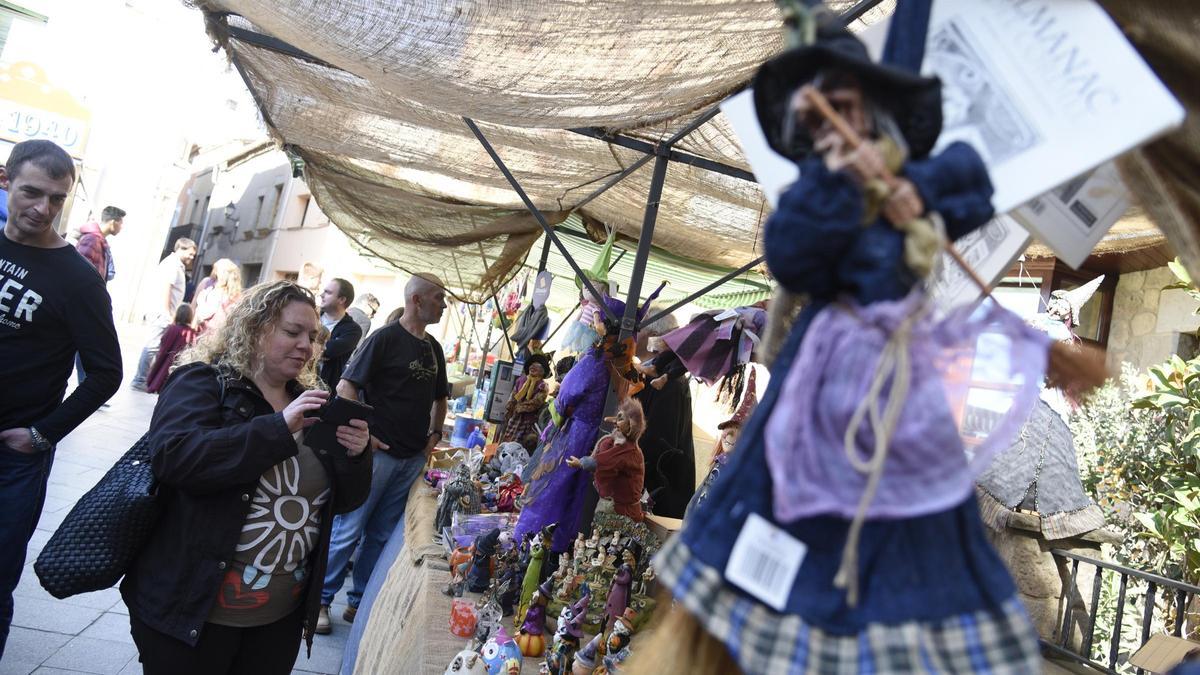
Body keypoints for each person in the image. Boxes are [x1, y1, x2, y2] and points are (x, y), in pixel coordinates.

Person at [120, 281, 372, 674]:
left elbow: (341, 503)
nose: (306, 346)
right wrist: (278, 427)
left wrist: (356, 457)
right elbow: (175, 458)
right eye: (292, 332)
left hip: (278, 620)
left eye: (311, 337)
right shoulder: (203, 382)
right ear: (254, 329)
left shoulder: (313, 404)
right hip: (193, 613)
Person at [0, 140, 122, 658]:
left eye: (56, 198)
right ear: (5, 181)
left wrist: (42, 434)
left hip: (11, 459)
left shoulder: (78, 280)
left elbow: (106, 374)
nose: (42, 208)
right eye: (32, 192)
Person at [316, 273, 449, 633]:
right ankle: (321, 601)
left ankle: (358, 603)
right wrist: (367, 434)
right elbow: (346, 387)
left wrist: (434, 436)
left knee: (380, 534)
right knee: (350, 528)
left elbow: (441, 398)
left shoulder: (434, 348)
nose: (443, 304)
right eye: (438, 297)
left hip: (411, 458)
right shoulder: (385, 338)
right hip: (377, 456)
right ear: (417, 300)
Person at [131, 237, 197, 391]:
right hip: (162, 313)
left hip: (164, 312)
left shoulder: (176, 265)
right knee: (152, 346)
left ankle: (147, 379)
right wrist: (168, 313)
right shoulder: (172, 265)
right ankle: (139, 380)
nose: (192, 257)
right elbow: (166, 288)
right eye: (190, 254)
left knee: (156, 347)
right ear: (180, 249)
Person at [72, 205, 124, 384]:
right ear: (113, 222)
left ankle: (86, 384)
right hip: (82, 307)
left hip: (86, 306)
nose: (121, 227)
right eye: (121, 223)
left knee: (83, 352)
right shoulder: (92, 240)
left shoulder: (99, 241)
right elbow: (78, 272)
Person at [317, 277, 363, 391]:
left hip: (322, 389)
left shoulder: (353, 330)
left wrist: (312, 342)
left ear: (341, 299)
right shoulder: (310, 317)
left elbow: (329, 351)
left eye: (328, 292)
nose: (321, 295)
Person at [145, 304, 197, 394]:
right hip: (179, 363)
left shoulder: (172, 329)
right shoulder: (191, 332)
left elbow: (163, 343)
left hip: (166, 360)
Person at [499, 353, 550, 444]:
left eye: (536, 365)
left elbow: (535, 403)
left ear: (543, 371)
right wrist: (510, 407)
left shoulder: (542, 386)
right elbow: (513, 396)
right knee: (506, 443)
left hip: (527, 423)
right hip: (514, 418)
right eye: (531, 365)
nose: (532, 367)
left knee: (518, 446)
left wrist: (519, 407)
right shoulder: (521, 380)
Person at [191, 258, 242, 336]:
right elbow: (194, 303)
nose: (215, 272)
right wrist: (190, 322)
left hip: (216, 330)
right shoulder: (207, 282)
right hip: (198, 326)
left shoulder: (233, 291)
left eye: (219, 270)